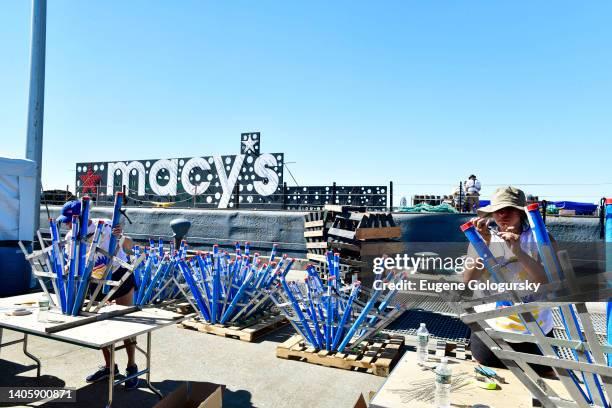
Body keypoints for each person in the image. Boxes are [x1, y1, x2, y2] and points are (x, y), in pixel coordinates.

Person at [462, 186, 554, 376]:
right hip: (491, 329)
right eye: (497, 210)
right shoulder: (482, 238)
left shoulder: (541, 239)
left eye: (509, 209)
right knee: (488, 383)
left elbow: (548, 282)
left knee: (544, 387)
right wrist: (484, 245)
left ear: (520, 212)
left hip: (535, 332)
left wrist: (518, 252)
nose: (502, 214)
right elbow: (468, 280)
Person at [57, 200, 140, 390]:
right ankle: (110, 368)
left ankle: (131, 367)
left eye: (70, 220)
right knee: (101, 324)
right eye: (67, 221)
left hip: (120, 275)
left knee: (127, 324)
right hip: (95, 279)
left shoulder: (105, 225)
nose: (68, 225)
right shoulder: (71, 236)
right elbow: (72, 263)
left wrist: (120, 237)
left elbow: (129, 245)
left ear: (83, 217)